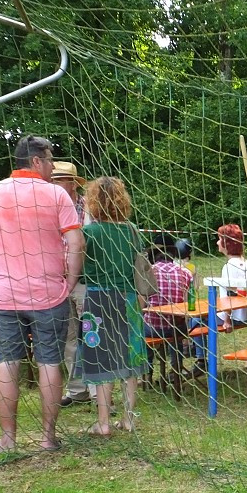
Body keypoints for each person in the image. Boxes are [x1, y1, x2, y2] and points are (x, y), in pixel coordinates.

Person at [0, 135, 84, 454]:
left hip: (4, 295)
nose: (51, 167)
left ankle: (7, 438)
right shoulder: (57, 196)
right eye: (49, 161)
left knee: (7, 363)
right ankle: (48, 438)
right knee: (49, 363)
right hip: (49, 294)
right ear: (35, 161)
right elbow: (76, 243)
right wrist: (70, 281)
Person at [79, 176, 148, 436]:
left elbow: (78, 264)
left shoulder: (89, 232)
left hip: (97, 300)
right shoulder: (131, 230)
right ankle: (129, 419)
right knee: (129, 358)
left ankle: (104, 423)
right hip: (128, 299)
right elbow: (138, 266)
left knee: (101, 359)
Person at [51, 160, 93, 407]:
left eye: (59, 181)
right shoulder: (49, 206)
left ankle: (100, 394)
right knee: (68, 337)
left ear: (72, 183)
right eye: (52, 181)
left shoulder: (89, 207)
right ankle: (78, 390)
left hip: (85, 281)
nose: (54, 185)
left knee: (91, 334)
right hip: (57, 280)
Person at [143, 235, 194, 380]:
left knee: (140, 323)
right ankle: (176, 369)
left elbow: (142, 302)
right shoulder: (186, 273)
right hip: (177, 328)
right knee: (176, 330)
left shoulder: (149, 272)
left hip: (154, 328)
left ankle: (147, 371)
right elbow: (187, 303)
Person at [215, 224, 247, 332]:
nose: (217, 242)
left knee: (195, 321)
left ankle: (199, 349)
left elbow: (230, 295)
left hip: (234, 317)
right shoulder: (246, 263)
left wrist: (227, 321)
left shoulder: (229, 266)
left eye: (219, 239)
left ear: (226, 244)